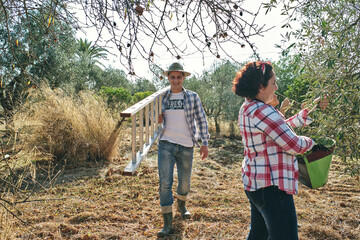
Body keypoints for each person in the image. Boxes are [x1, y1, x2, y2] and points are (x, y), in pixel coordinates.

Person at [232, 61, 328, 240]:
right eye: (273, 83)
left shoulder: (249, 107)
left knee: (259, 235)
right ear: (261, 85)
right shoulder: (262, 110)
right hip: (272, 188)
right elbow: (294, 145)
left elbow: (280, 128)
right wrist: (313, 143)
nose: (276, 87)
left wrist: (311, 111)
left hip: (256, 184)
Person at [156, 62, 210, 237]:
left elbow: (201, 120)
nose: (176, 80)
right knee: (165, 183)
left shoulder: (193, 97)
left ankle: (181, 204)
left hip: (187, 144)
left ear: (183, 78)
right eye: (172, 77)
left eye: (179, 77)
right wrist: (155, 118)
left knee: (185, 181)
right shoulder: (162, 97)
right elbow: (152, 117)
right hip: (166, 143)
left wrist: (205, 142)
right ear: (168, 78)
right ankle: (167, 223)